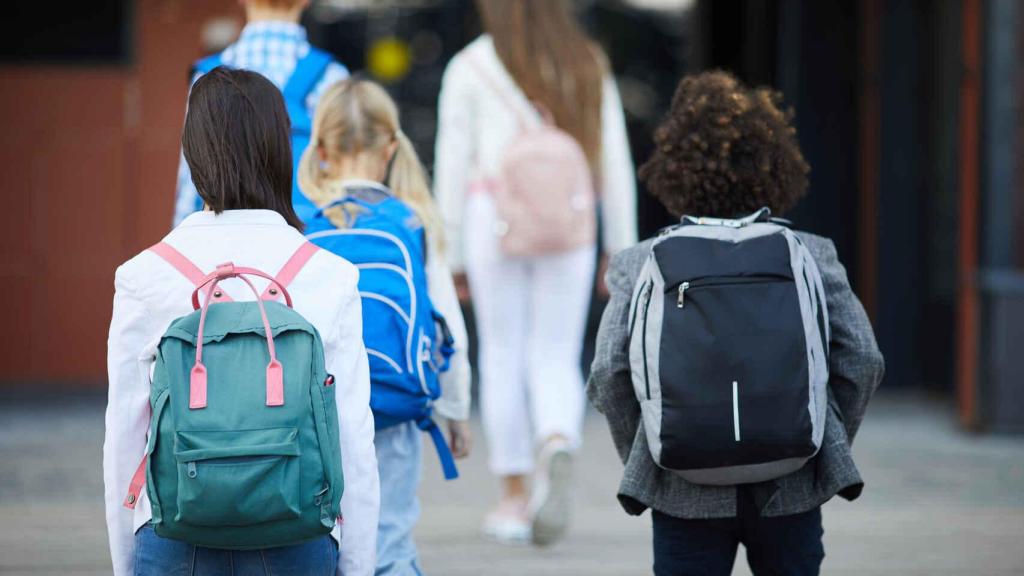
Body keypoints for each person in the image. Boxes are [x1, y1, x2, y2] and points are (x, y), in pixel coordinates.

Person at [587, 70, 885, 576]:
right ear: (777, 167)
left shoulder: (642, 262)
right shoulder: (811, 253)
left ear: (672, 170)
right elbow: (861, 358)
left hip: (683, 487)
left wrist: (654, 448)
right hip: (790, 483)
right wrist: (816, 436)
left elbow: (608, 375)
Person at [104, 68, 379, 576]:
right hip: (298, 537)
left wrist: (128, 561)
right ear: (282, 150)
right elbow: (353, 438)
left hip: (173, 536)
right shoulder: (329, 275)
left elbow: (123, 436)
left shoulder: (143, 276)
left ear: (193, 154)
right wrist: (357, 564)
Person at [432, 0, 638, 546]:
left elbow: (452, 160)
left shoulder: (471, 65)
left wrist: (448, 253)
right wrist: (620, 244)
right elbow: (612, 156)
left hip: (492, 217)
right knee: (555, 348)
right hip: (570, 217)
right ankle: (556, 439)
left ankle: (515, 497)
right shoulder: (585, 60)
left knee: (501, 350)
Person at [298, 78, 473, 575]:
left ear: (323, 150)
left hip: (319, 409)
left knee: (324, 534)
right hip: (394, 405)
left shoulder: (304, 223)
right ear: (390, 149)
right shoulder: (414, 221)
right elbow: (446, 323)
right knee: (390, 535)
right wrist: (455, 411)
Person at [172, 0, 349, 226]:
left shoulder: (206, 78)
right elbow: (341, 181)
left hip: (226, 243)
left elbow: (189, 186)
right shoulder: (331, 77)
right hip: (305, 241)